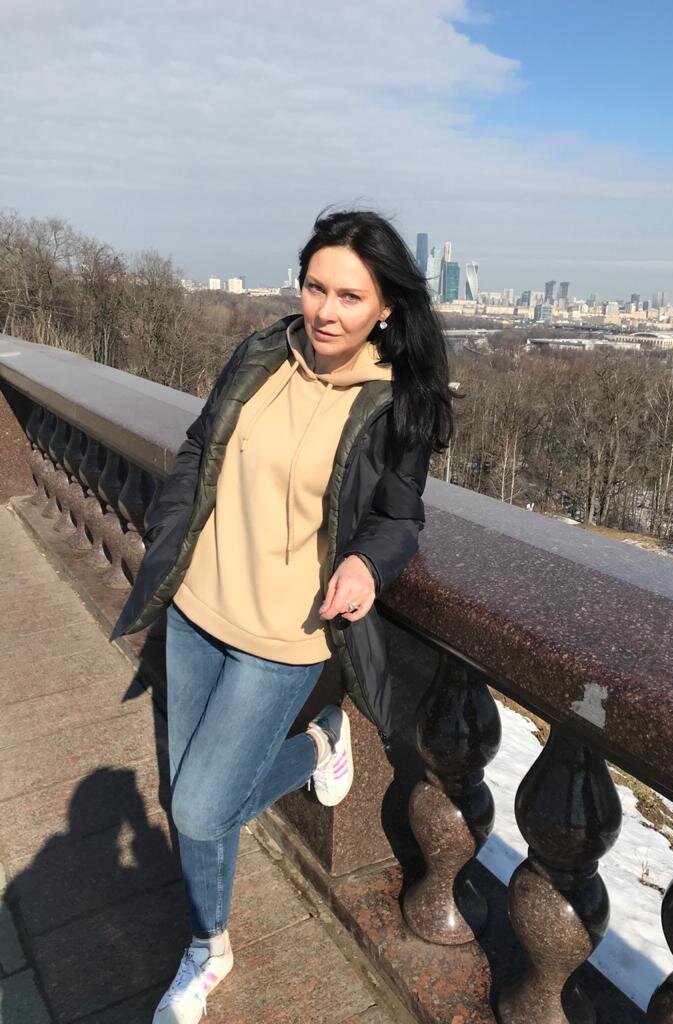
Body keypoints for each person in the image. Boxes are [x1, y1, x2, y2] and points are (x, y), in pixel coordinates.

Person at [109, 209, 452, 1024]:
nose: (326, 311)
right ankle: (209, 944)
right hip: (196, 608)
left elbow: (399, 517)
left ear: (386, 308)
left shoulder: (397, 403)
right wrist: (171, 525)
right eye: (315, 287)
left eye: (350, 296)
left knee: (198, 808)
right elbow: (202, 447)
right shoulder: (262, 354)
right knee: (187, 795)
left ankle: (318, 745)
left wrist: (367, 563)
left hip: (283, 637)